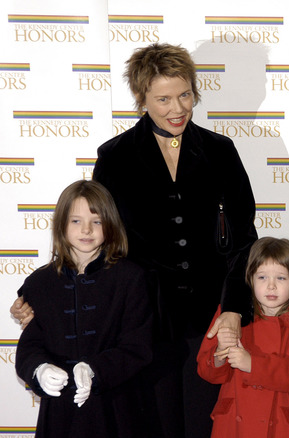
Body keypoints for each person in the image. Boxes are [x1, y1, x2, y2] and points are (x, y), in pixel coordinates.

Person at [11, 43, 258, 438]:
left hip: (209, 323)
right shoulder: (115, 156)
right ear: (141, 99)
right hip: (140, 324)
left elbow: (245, 239)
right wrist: (39, 296)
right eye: (163, 99)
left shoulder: (221, 151)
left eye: (184, 95)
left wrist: (233, 308)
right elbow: (94, 238)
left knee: (204, 425)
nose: (177, 108)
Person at [15, 180, 152, 438]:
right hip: (59, 414)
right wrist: (39, 369)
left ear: (110, 224)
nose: (86, 229)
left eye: (97, 221)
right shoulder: (39, 283)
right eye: (76, 221)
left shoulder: (131, 278)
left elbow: (138, 346)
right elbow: (30, 346)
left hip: (117, 411)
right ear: (61, 225)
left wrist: (95, 369)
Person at [197, 237, 289, 437]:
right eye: (262, 277)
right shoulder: (230, 316)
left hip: (283, 428)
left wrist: (253, 365)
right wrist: (219, 354)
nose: (271, 286)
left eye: (281, 278)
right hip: (234, 425)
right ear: (250, 278)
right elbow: (206, 372)